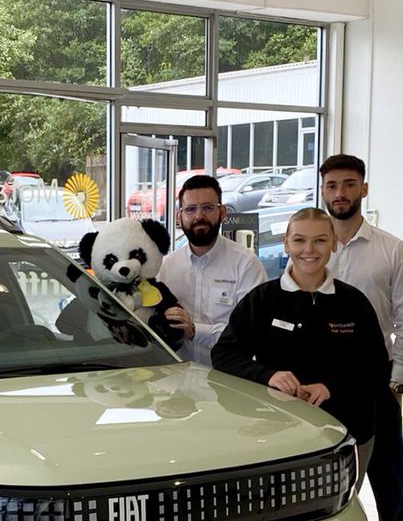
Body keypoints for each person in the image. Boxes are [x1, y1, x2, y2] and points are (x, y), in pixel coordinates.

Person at [212, 207, 388, 479]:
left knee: (343, 501)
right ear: (286, 243)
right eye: (299, 240)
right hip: (278, 433)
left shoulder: (354, 302)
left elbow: (376, 366)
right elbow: (224, 355)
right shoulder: (262, 300)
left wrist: (330, 388)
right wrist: (269, 376)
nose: (309, 249)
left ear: (334, 244)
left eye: (320, 240)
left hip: (348, 432)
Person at [321, 154, 403, 521]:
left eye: (348, 184)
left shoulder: (392, 250)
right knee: (328, 493)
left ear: (364, 189)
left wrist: (397, 379)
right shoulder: (312, 245)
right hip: (317, 388)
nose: (339, 193)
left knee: (389, 489)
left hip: (374, 382)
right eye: (332, 185)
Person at [159, 173, 267, 365]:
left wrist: (194, 330)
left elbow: (252, 332)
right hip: (177, 376)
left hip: (228, 376)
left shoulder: (246, 264)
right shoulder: (166, 267)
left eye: (208, 208)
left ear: (222, 212)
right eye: (190, 209)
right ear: (179, 217)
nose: (199, 216)